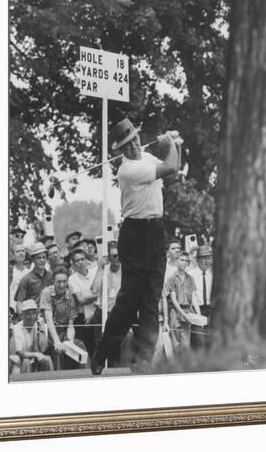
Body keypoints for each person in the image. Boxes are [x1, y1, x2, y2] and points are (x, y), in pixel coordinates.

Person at [92, 118, 180, 375]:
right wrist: (171, 144)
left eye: (134, 140)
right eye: (126, 145)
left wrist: (177, 144)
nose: (133, 147)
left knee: (151, 299)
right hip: (134, 233)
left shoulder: (149, 157)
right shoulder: (127, 170)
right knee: (129, 301)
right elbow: (170, 167)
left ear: (139, 137)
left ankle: (144, 359)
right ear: (121, 150)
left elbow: (173, 167)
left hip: (155, 232)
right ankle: (103, 351)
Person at [40, 267, 85, 369]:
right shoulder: (47, 292)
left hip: (63, 331)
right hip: (46, 331)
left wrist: (71, 340)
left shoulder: (70, 295)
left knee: (79, 345)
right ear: (53, 281)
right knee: (58, 349)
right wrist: (56, 341)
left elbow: (70, 324)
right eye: (59, 282)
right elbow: (49, 320)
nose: (62, 285)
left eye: (64, 281)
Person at [89, 241, 122, 365]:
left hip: (118, 314)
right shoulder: (103, 270)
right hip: (102, 313)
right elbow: (95, 290)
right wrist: (100, 269)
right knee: (100, 345)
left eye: (119, 255)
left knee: (117, 346)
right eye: (114, 256)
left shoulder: (126, 270)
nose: (117, 258)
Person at [164, 251, 201, 362]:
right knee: (176, 345)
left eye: (186, 261)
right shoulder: (171, 278)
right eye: (182, 260)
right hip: (176, 313)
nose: (184, 262)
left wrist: (198, 315)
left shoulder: (190, 279)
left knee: (186, 345)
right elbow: (174, 300)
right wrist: (183, 314)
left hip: (188, 311)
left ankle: (185, 369)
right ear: (176, 261)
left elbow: (194, 297)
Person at [68, 247, 98, 358]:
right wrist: (98, 296)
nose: (81, 262)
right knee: (90, 349)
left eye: (82, 259)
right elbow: (81, 300)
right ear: (73, 263)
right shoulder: (72, 279)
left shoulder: (95, 273)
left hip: (98, 314)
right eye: (78, 260)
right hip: (83, 318)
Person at [10, 299, 53, 374]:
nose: (31, 317)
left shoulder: (42, 326)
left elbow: (43, 349)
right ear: (22, 315)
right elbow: (20, 352)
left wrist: (41, 330)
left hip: (36, 359)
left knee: (48, 359)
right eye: (28, 314)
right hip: (22, 360)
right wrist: (36, 355)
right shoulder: (17, 328)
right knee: (26, 362)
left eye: (33, 313)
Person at [14, 242, 53, 316]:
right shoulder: (26, 279)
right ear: (33, 259)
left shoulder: (51, 276)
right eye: (38, 258)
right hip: (33, 317)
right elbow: (19, 304)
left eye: (44, 257)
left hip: (50, 316)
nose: (42, 260)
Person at [9, 243, 31, 313]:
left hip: (27, 308)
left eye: (22, 251)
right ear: (13, 255)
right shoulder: (10, 271)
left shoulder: (29, 272)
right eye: (18, 251)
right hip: (12, 308)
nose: (21, 253)